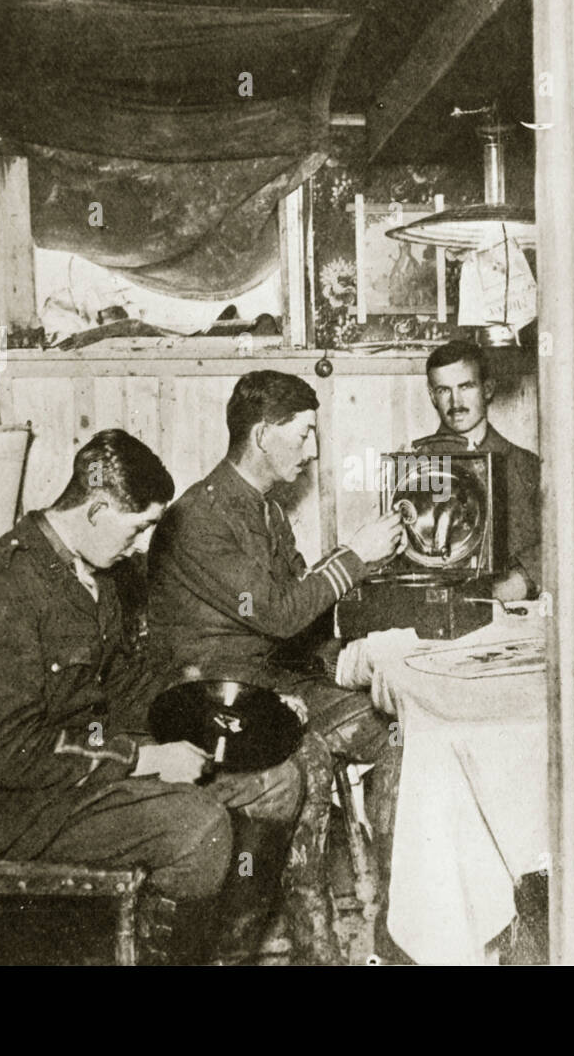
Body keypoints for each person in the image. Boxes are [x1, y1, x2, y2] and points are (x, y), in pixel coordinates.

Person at [0, 429, 306, 964]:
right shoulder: (2, 589)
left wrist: (239, 707)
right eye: (138, 529)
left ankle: (228, 951)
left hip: (77, 772)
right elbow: (11, 752)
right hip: (10, 808)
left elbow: (125, 684)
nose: (138, 546)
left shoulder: (93, 570)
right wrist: (146, 759)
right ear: (97, 508)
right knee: (197, 829)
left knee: (275, 780)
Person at [147, 370, 406, 963]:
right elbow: (283, 614)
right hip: (207, 699)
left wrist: (352, 654)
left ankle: (395, 927)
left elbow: (300, 621)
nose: (313, 450)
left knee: (396, 724)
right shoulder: (199, 518)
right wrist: (354, 557)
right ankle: (315, 946)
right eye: (305, 434)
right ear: (264, 435)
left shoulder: (264, 511)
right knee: (307, 757)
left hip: (270, 683)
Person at [411, 341, 542, 601]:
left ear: (488, 389)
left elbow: (558, 543)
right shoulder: (414, 470)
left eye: (466, 386)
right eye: (443, 390)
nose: (455, 401)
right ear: (431, 395)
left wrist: (523, 580)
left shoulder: (526, 467)